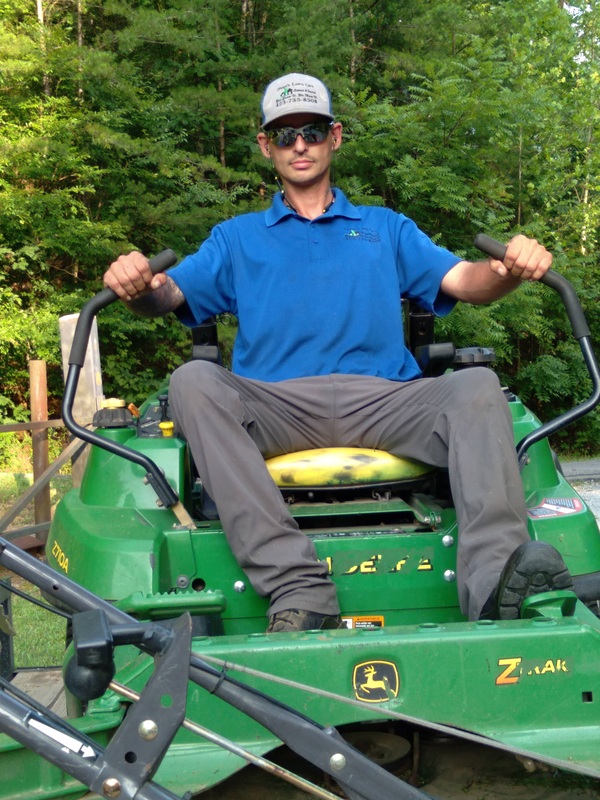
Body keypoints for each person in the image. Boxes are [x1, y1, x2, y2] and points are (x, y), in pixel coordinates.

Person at [104, 72, 574, 632]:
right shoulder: (235, 238)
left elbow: (466, 280)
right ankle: (297, 586)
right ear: (266, 146)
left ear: (335, 136)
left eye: (311, 130)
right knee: (192, 381)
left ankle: (497, 587)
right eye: (285, 134)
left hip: (385, 401)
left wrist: (508, 270)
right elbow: (169, 294)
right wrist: (138, 284)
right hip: (276, 405)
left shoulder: (385, 228)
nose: (299, 144)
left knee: (477, 385)